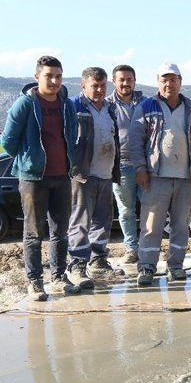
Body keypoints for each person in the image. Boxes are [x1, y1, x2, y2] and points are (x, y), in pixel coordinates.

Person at [0, 56, 80, 300]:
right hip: (33, 178)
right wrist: (29, 159)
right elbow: (8, 142)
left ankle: (58, 276)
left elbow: (73, 133)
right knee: (33, 232)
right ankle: (35, 281)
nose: (54, 81)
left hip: (62, 176)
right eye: (49, 76)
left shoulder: (66, 104)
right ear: (37, 77)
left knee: (61, 231)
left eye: (58, 76)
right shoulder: (25, 104)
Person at [130, 62, 191, 285]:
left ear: (180, 81)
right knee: (151, 225)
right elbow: (135, 141)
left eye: (173, 79)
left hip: (186, 178)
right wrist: (140, 169)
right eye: (164, 79)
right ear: (158, 82)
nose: (169, 84)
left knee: (180, 225)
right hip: (156, 177)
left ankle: (176, 266)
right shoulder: (147, 107)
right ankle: (146, 266)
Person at [66, 67, 122, 289]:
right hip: (83, 176)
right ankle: (78, 264)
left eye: (102, 86)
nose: (99, 90)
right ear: (83, 85)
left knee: (102, 221)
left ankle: (98, 260)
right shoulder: (74, 107)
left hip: (106, 173)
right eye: (94, 85)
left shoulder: (109, 108)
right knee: (80, 221)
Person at [106, 65, 145, 264]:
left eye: (129, 79)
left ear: (134, 81)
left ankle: (147, 248)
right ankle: (132, 249)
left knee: (150, 208)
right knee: (126, 211)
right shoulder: (106, 105)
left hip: (146, 166)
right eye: (121, 79)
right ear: (114, 81)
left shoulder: (146, 103)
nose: (125, 83)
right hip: (120, 166)